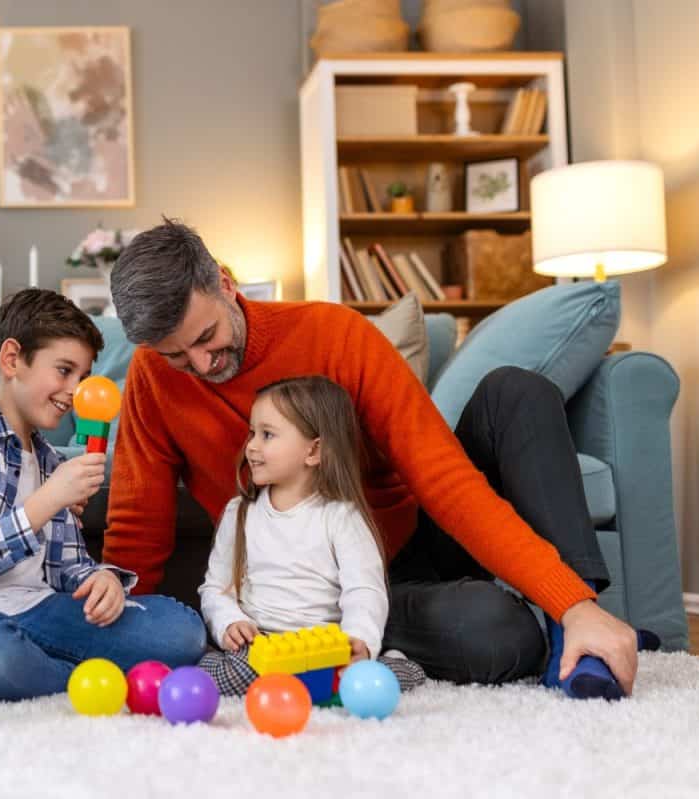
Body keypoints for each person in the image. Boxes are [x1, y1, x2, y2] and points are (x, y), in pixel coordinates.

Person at [105, 218, 646, 699]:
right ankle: (536, 626)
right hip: (321, 602)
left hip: (409, 543)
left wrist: (570, 600)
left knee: (517, 392)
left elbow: (444, 478)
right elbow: (139, 525)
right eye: (176, 355)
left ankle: (579, 623)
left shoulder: (335, 334)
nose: (200, 364)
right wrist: (124, 635)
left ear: (225, 282)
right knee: (499, 636)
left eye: (207, 337)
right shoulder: (153, 383)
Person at [0, 288, 207, 703]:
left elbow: (67, 568)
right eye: (63, 371)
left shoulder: (49, 459)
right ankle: (87, 677)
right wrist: (47, 500)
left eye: (82, 378)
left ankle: (52, 672)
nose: (74, 391)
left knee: (182, 631)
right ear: (12, 360)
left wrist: (101, 580)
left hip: (40, 610)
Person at [198, 376, 425, 695]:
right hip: (260, 647)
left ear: (314, 451)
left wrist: (360, 640)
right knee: (218, 674)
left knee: (360, 685)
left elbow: (364, 590)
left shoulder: (341, 516)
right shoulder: (240, 512)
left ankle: (392, 662)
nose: (251, 446)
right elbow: (216, 588)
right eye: (252, 433)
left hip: (322, 650)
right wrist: (228, 623)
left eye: (267, 435)